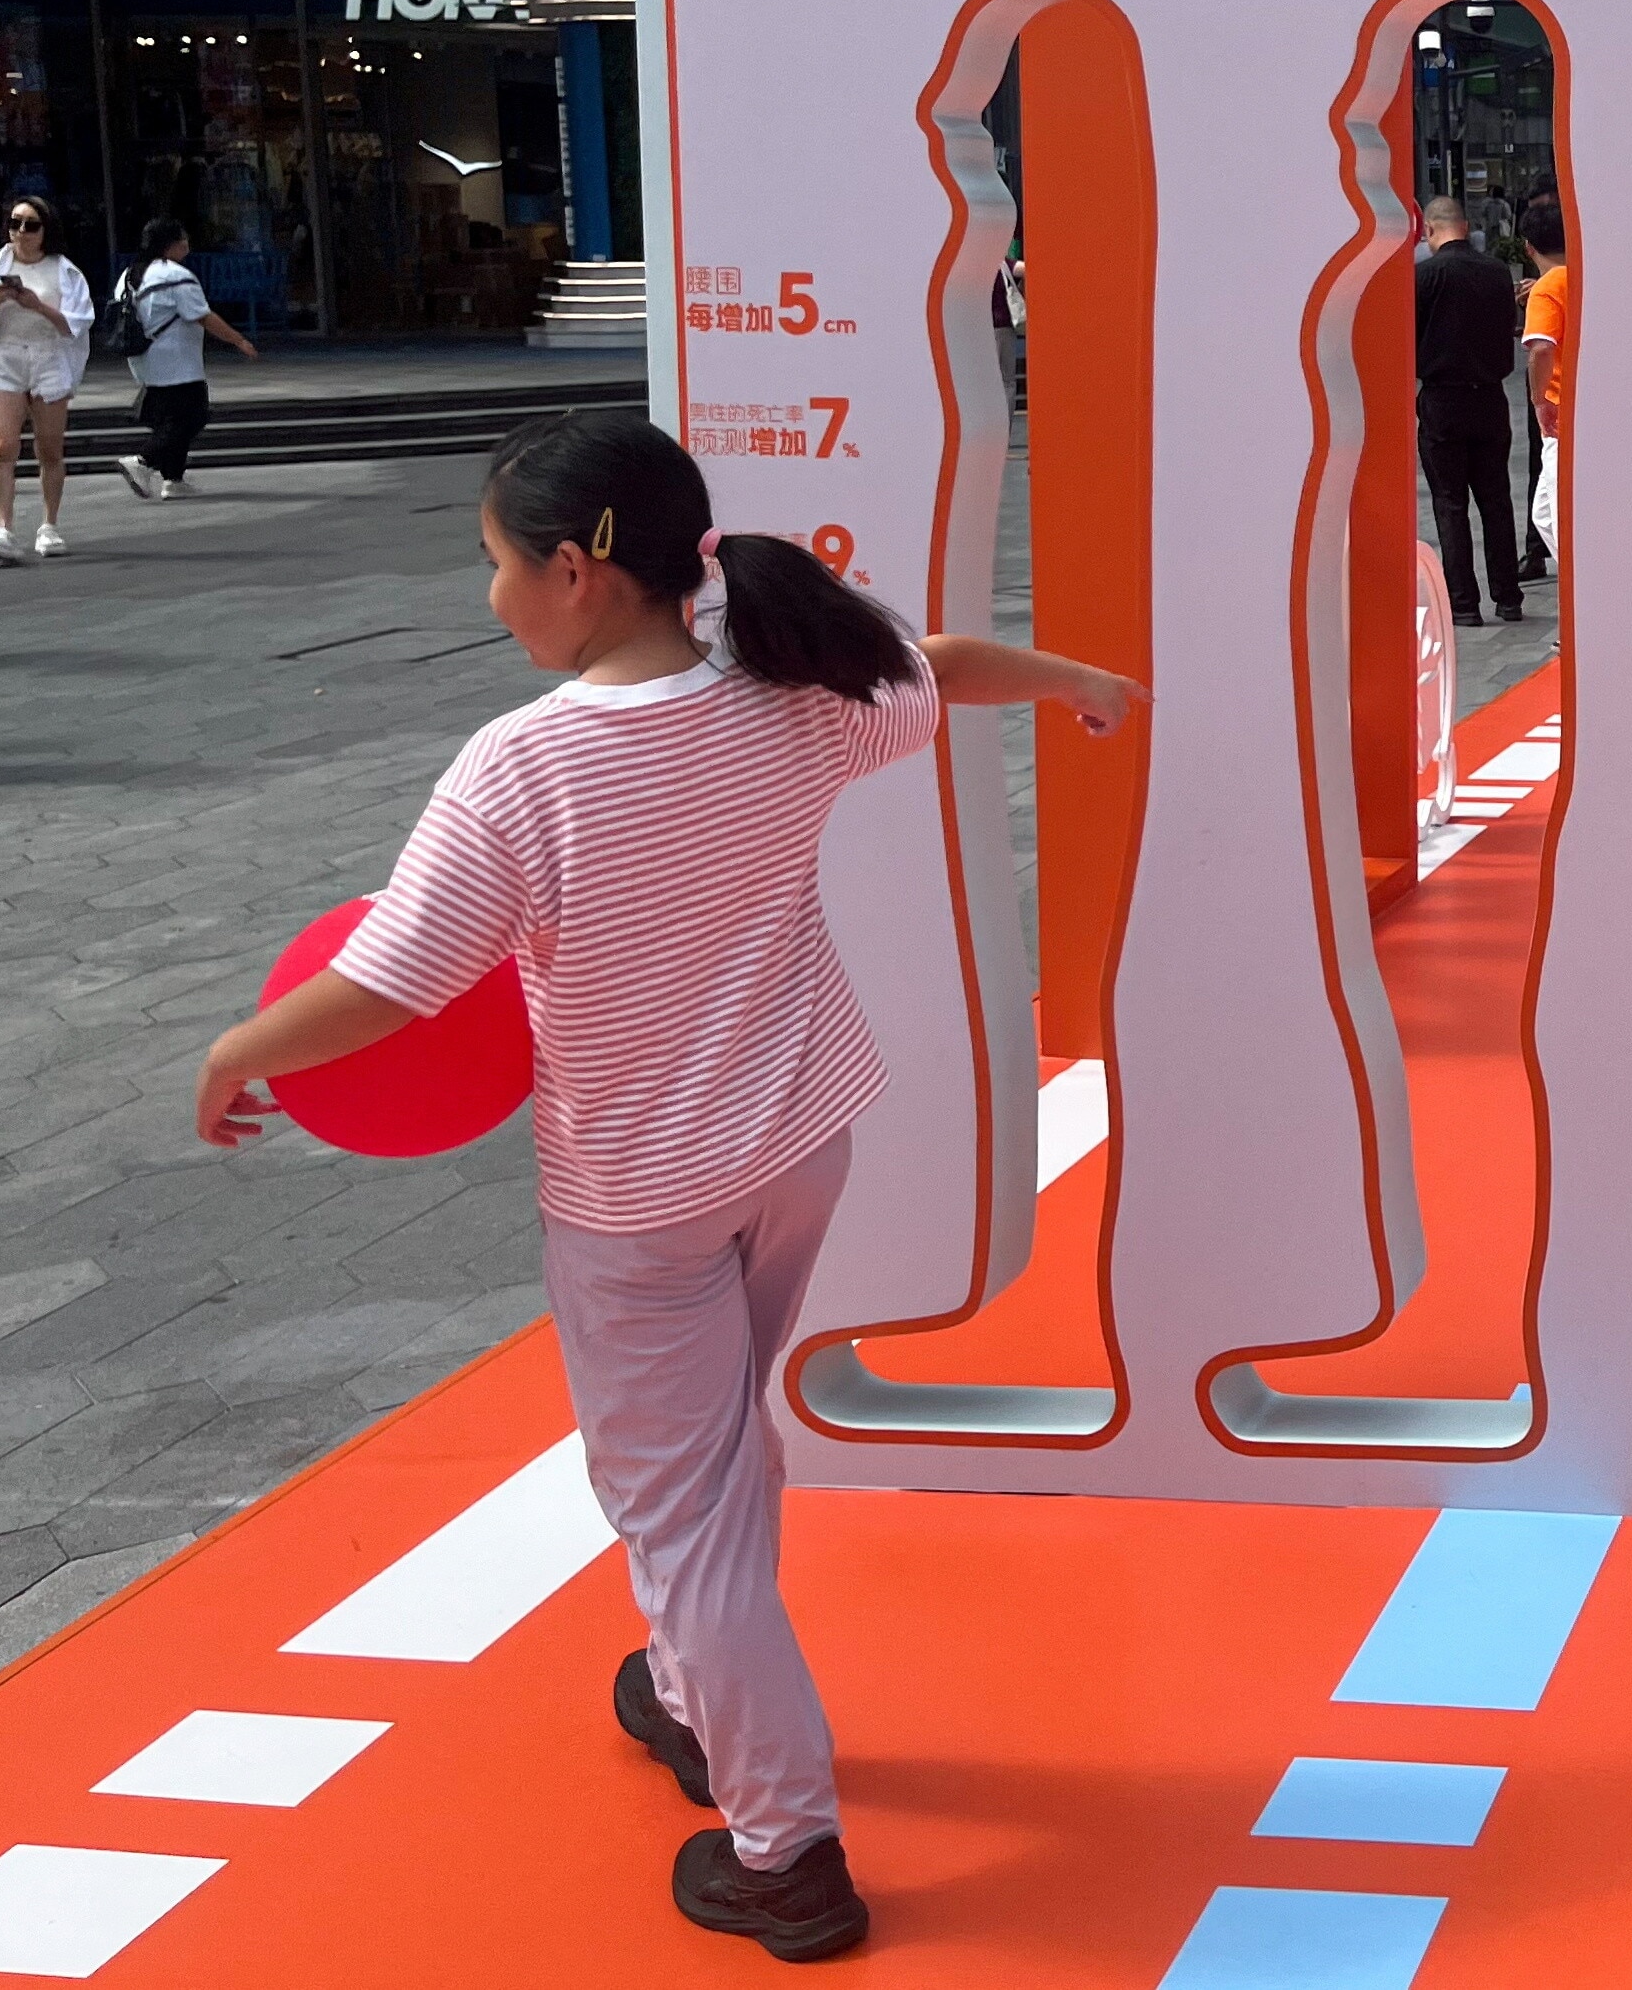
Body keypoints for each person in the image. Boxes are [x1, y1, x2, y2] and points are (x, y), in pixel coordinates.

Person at [190, 409, 1138, 1963]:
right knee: (719, 1454)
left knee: (683, 1518)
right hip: (797, 1147)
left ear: (577, 569)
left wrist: (239, 1048)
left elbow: (394, 985)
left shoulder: (524, 768)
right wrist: (1080, 683)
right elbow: (945, 664)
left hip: (639, 1197)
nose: (489, 594)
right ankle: (696, 1697)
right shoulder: (787, 694)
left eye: (496, 562)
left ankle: (786, 1851)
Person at [0, 194, 93, 563]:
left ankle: (49, 524)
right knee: (2, 447)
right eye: (15, 223)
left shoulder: (65, 271)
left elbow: (76, 324)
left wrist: (38, 305)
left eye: (31, 225)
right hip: (5, 357)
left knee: (49, 448)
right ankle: (3, 527)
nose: (21, 232)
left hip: (49, 357)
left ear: (46, 230)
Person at [1413, 193, 1524, 628]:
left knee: (1449, 503)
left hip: (1443, 399)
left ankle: (1464, 604)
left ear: (1430, 230)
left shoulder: (1424, 277)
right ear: (1465, 227)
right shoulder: (1497, 272)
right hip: (1491, 397)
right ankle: (1508, 597)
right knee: (1496, 500)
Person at [115, 217, 261, 501]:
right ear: (169, 244)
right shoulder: (174, 275)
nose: (187, 244)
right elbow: (202, 315)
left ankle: (173, 479)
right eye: (182, 238)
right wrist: (238, 340)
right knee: (192, 416)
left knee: (169, 419)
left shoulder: (129, 275)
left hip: (144, 359)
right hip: (176, 362)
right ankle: (142, 461)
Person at [1517, 195, 1572, 572]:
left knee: (1556, 517)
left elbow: (1541, 346)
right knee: (1545, 513)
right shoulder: (1583, 278)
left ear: (1528, 247)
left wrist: (1539, 400)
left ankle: (1583, 586)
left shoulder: (1546, 288)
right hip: (1584, 408)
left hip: (1560, 411)